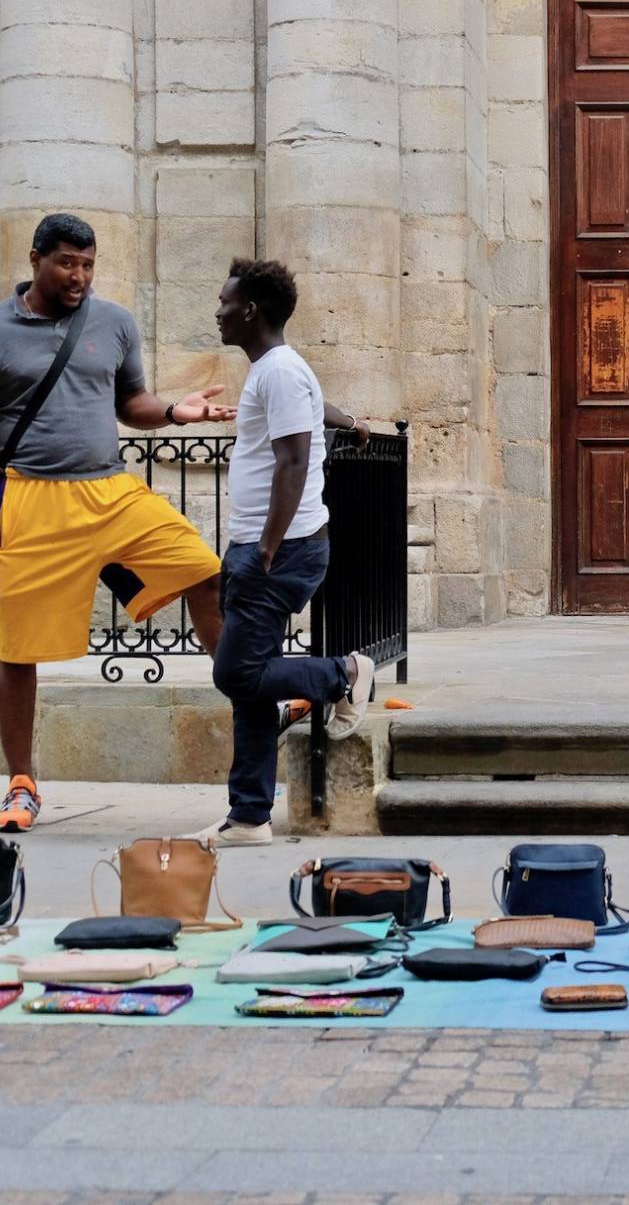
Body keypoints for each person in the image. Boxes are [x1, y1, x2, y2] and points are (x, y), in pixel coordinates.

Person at [0, 214, 235, 833]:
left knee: (206, 572)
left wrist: (177, 411)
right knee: (18, 648)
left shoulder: (115, 321)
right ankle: (21, 784)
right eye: (68, 263)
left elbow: (131, 404)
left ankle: (254, 701)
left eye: (89, 264)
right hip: (33, 500)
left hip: (112, 490)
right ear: (37, 258)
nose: (80, 276)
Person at [184, 259, 376, 848]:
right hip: (264, 547)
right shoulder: (276, 371)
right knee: (251, 686)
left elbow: (295, 461)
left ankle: (344, 673)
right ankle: (248, 817)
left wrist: (264, 550)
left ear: (251, 310)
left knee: (234, 671)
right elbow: (308, 416)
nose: (216, 311)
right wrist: (351, 422)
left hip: (281, 551)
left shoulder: (280, 371)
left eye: (224, 301)